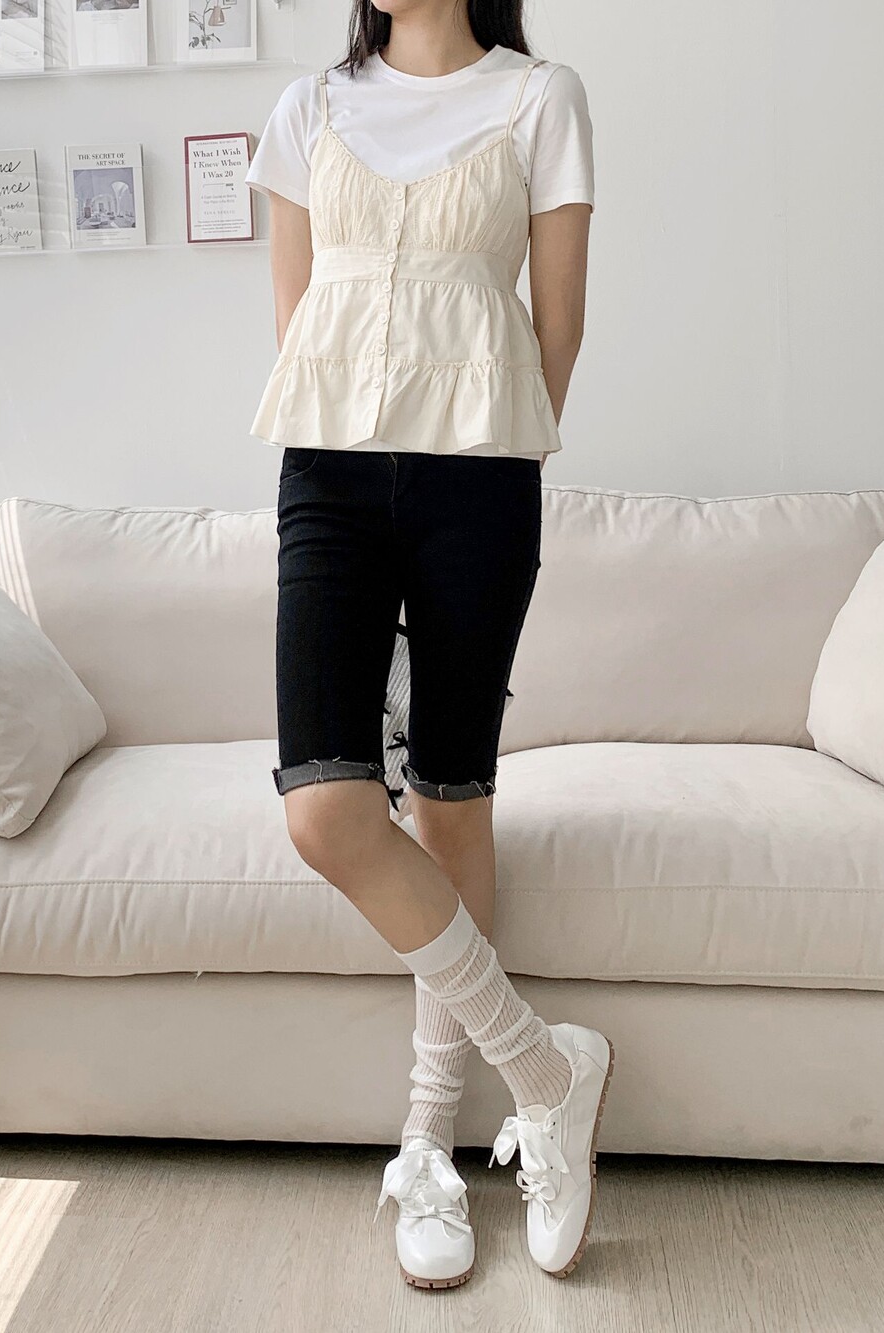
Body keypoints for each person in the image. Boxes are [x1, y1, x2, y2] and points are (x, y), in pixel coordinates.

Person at [244, 0, 613, 1290]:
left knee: (451, 799)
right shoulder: (308, 108)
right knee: (326, 808)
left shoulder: (542, 97)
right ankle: (546, 1071)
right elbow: (299, 317)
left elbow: (557, 328)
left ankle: (431, 1151)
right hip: (329, 474)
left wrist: (491, 463)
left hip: (481, 476)